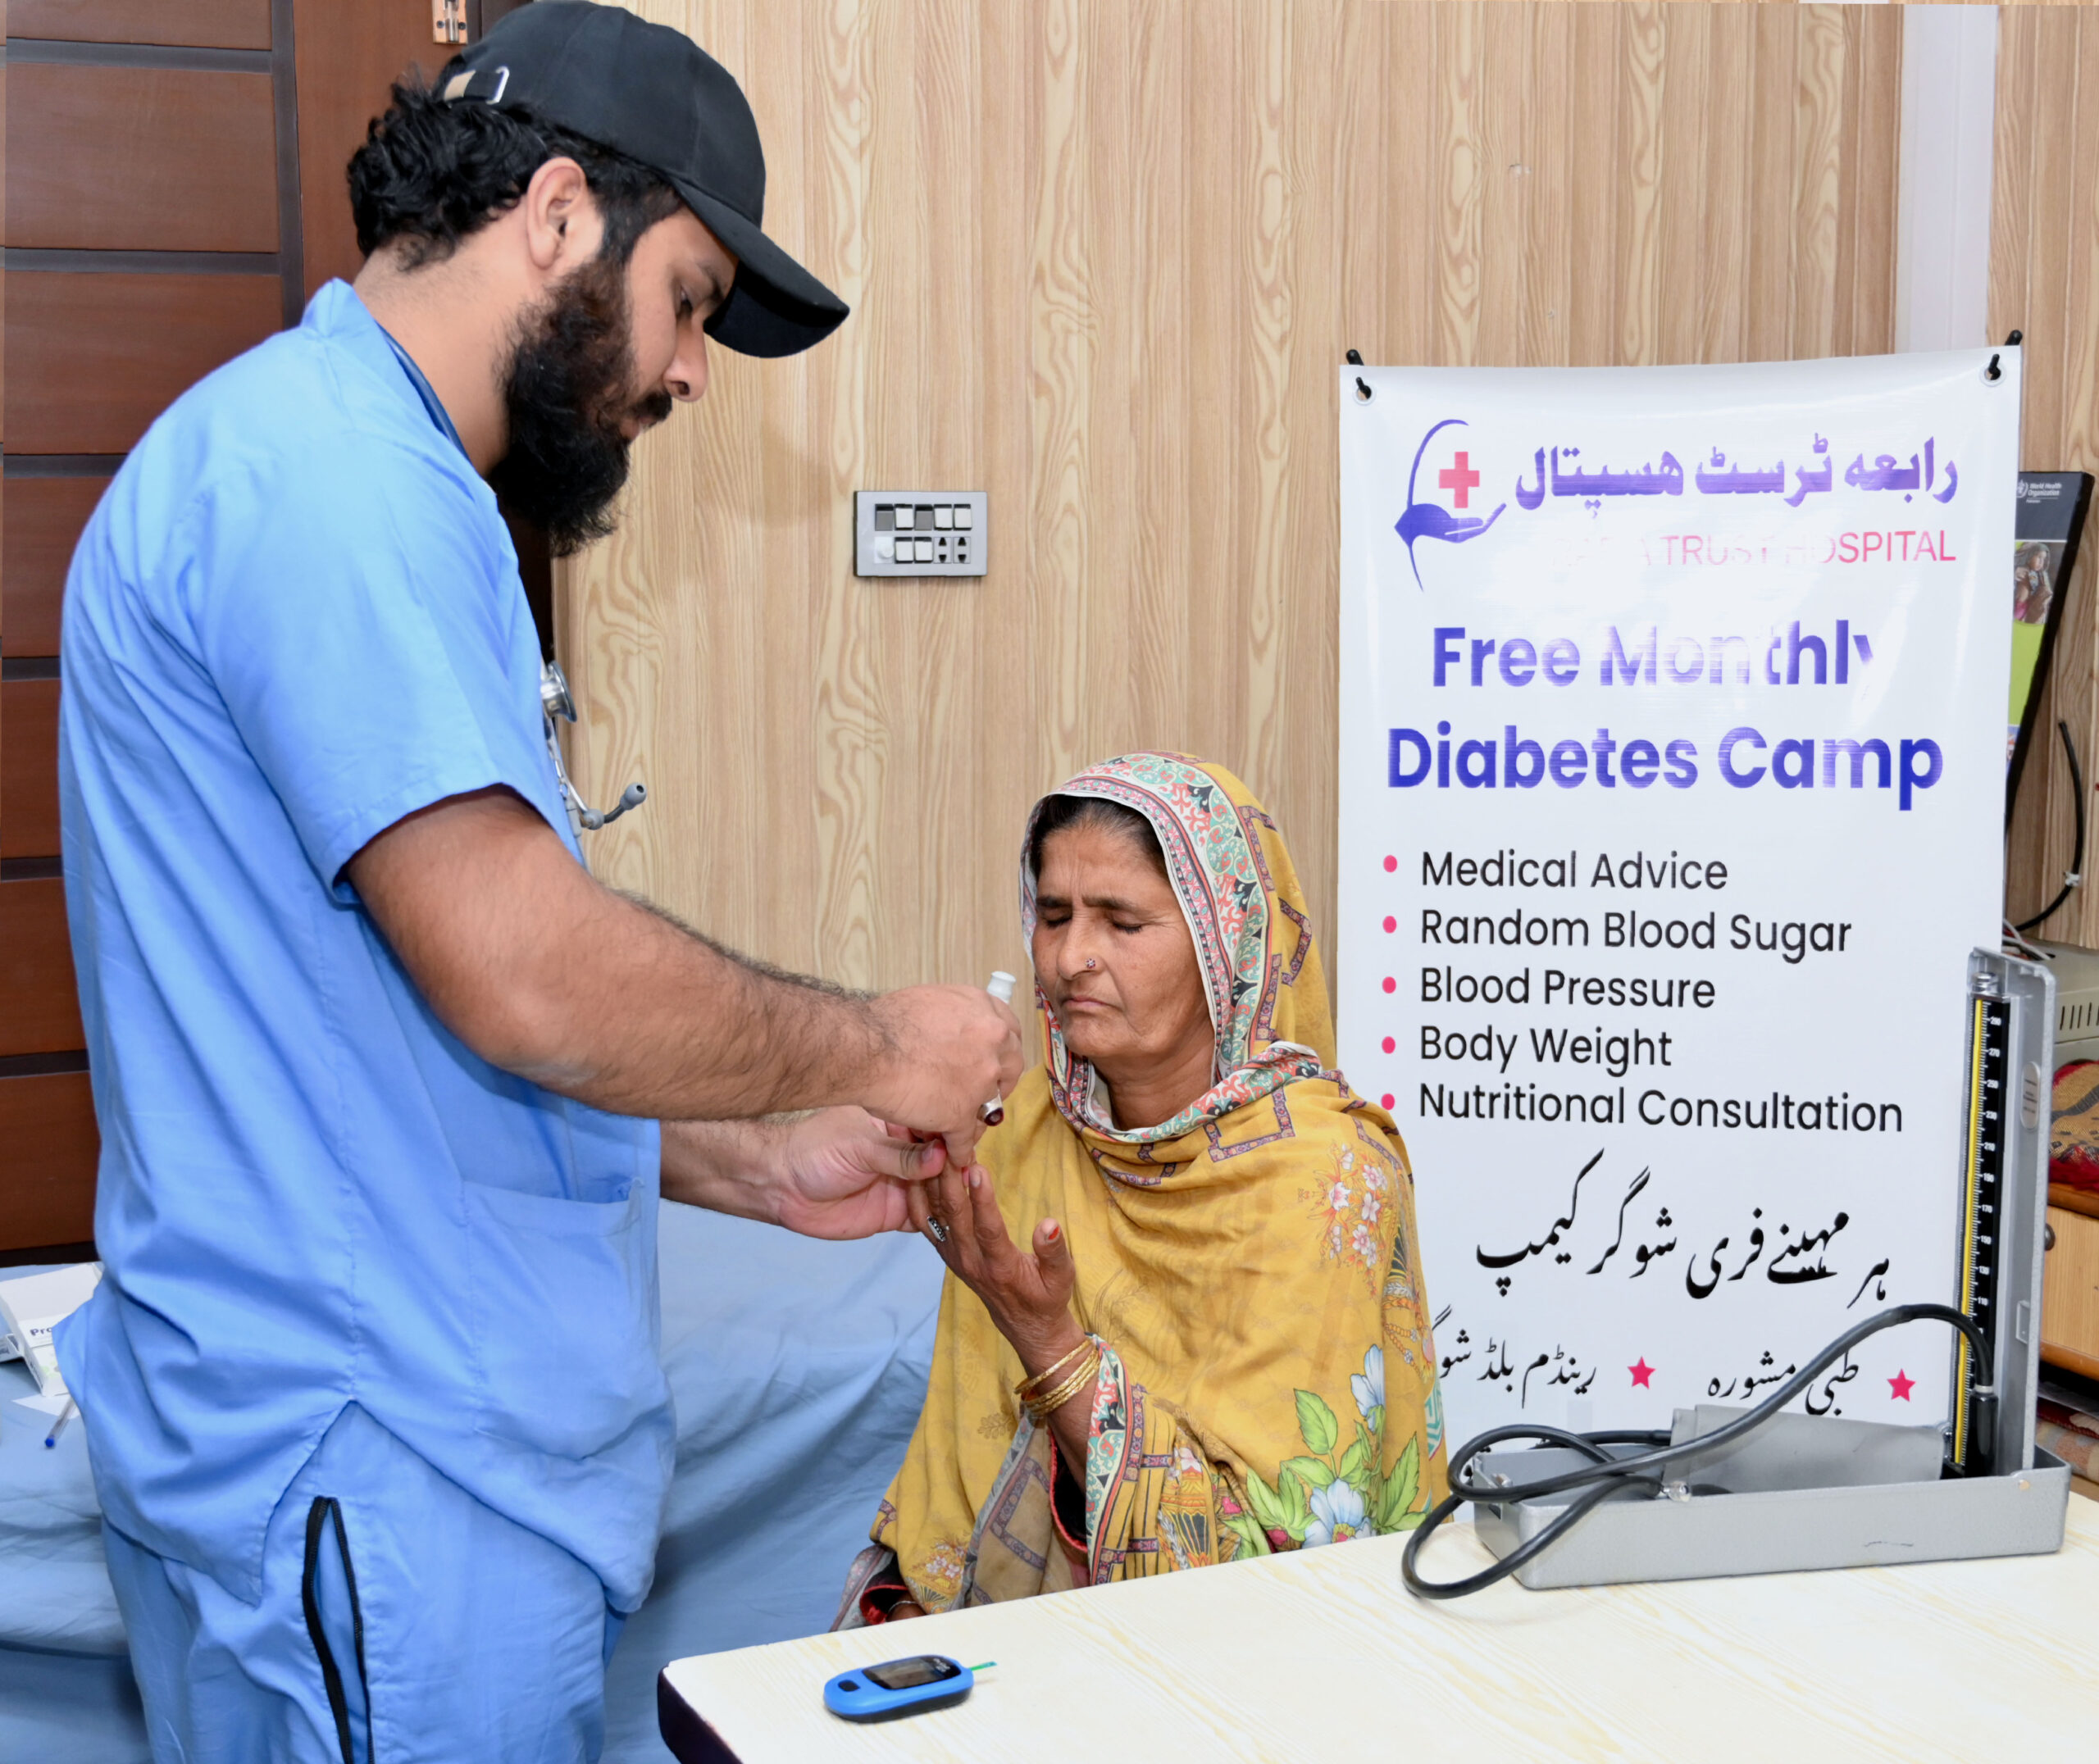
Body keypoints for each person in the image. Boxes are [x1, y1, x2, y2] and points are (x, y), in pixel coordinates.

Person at [53, 7, 1018, 1761]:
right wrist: (882, 1045)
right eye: (691, 302)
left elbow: (371, 1033)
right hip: (377, 1480)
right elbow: (522, 969)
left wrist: (747, 1156)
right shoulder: (336, 485)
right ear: (561, 212)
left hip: (368, 1475)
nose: (691, 373)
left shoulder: (340, 466)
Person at [839, 753, 1447, 1621]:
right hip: (985, 1640)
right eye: (1054, 916)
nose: (1070, 958)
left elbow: (1274, 1572)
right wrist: (915, 1612)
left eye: (1121, 923)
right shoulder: (1023, 1123)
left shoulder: (1326, 1173)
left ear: (1223, 948)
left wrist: (1048, 1342)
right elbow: (957, 1468)